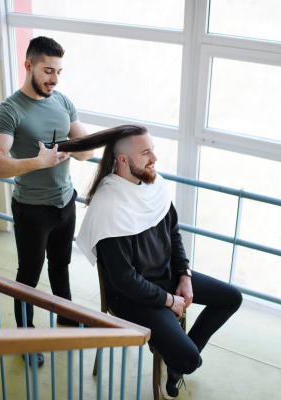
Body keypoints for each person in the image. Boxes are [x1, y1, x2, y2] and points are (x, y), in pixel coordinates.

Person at [74, 125, 243, 399]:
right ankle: (178, 357)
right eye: (146, 153)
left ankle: (172, 353)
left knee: (231, 297)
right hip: (132, 297)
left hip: (168, 278)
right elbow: (124, 280)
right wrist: (169, 301)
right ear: (123, 160)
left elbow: (173, 233)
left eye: (153, 150)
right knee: (191, 361)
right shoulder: (108, 206)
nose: (154, 158)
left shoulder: (154, 184)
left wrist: (185, 276)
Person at [0, 36, 94, 367]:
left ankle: (67, 316)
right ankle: (25, 338)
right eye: (48, 71)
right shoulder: (9, 111)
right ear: (29, 66)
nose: (54, 79)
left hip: (65, 203)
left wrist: (73, 149)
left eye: (59, 71)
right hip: (32, 209)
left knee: (61, 266)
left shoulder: (63, 101)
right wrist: (39, 161)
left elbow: (86, 149)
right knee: (28, 277)